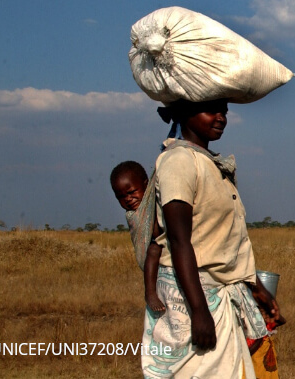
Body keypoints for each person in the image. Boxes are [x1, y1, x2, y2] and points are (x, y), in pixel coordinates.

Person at [141, 98, 285, 379]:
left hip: (222, 296)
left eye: (225, 112)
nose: (221, 118)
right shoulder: (179, 161)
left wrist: (254, 287)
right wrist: (199, 311)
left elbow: (219, 243)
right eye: (212, 111)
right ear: (184, 114)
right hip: (195, 300)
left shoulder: (212, 164)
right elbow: (180, 241)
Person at [109, 160, 165, 313]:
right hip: (153, 249)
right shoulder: (133, 214)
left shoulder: (153, 198)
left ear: (146, 185)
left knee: (154, 250)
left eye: (132, 192)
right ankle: (150, 293)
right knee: (153, 250)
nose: (128, 199)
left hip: (160, 247)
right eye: (120, 197)